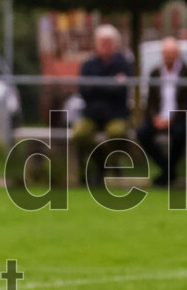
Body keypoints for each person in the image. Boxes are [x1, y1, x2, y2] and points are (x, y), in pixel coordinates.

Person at [71, 24, 132, 185]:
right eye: (102, 42)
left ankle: (104, 167)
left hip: (115, 114)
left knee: (117, 133)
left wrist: (98, 87)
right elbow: (84, 91)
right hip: (91, 114)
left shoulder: (123, 64)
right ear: (96, 44)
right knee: (79, 134)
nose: (105, 45)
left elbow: (121, 91)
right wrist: (111, 85)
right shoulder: (88, 65)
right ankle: (100, 164)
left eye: (108, 42)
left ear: (115, 44)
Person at [137, 36, 187, 187]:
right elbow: (150, 101)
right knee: (142, 133)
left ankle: (167, 172)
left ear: (177, 53)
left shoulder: (185, 73)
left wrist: (171, 119)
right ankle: (168, 170)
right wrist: (154, 118)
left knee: (180, 133)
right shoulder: (155, 73)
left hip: (179, 118)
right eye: (167, 52)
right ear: (163, 54)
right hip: (158, 118)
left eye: (172, 52)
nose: (169, 56)